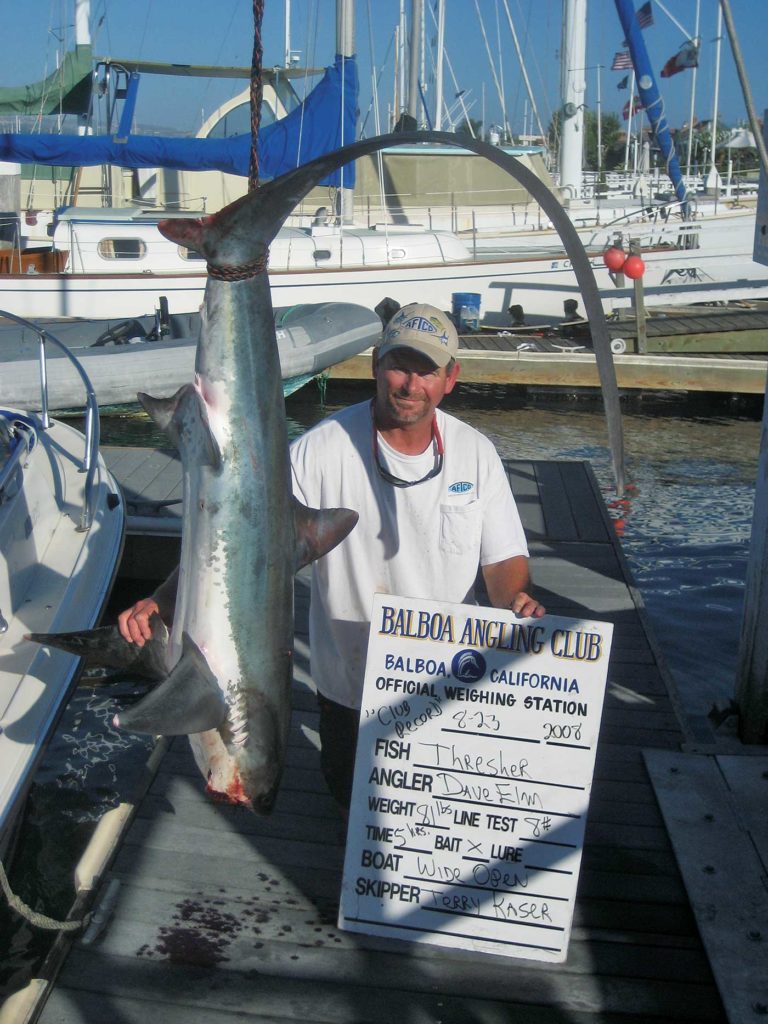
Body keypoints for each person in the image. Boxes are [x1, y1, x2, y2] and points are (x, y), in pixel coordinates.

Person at [118, 302, 545, 810]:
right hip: (351, 684)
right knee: (353, 807)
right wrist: (162, 601)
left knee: (444, 811)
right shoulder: (316, 452)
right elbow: (238, 546)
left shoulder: (476, 454)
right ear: (375, 366)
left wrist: (516, 599)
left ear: (449, 379)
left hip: (446, 676)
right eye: (399, 366)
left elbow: (502, 562)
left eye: (426, 371)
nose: (410, 384)